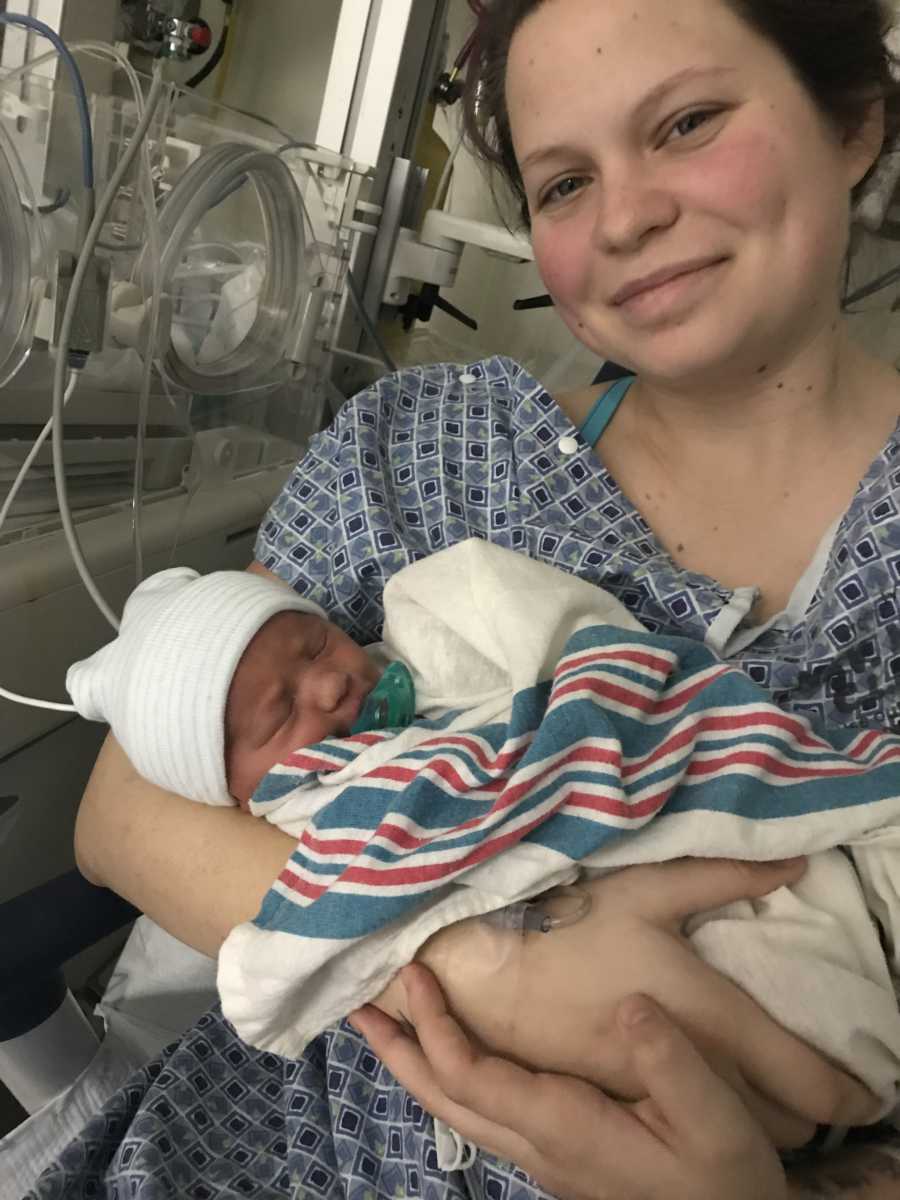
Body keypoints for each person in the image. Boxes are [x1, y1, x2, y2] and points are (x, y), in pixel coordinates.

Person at [37, 0, 900, 1195]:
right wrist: (484, 967)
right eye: (561, 186)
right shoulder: (427, 447)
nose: (628, 217)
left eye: (688, 122)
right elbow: (123, 806)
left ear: (852, 118)